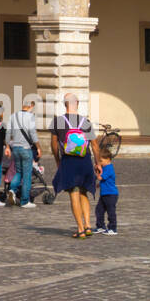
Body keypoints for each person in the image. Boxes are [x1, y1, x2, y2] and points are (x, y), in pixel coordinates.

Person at [51, 94, 99, 239]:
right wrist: (98, 163)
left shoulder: (58, 121)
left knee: (74, 193)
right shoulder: (85, 121)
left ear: (65, 104)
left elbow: (54, 145)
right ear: (77, 103)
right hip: (85, 160)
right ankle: (88, 225)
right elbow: (95, 145)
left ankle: (80, 229)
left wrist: (57, 159)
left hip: (69, 161)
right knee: (84, 192)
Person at [6, 99, 39, 208]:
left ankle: (12, 190)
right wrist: (38, 147)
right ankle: (25, 201)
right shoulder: (30, 117)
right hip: (26, 149)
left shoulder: (13, 116)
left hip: (15, 148)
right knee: (27, 176)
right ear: (31, 106)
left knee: (18, 173)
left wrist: (7, 146)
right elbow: (33, 133)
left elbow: (8, 132)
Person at [95, 151, 119, 235]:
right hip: (104, 194)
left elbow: (101, 177)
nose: (100, 163)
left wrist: (97, 171)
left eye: (101, 161)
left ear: (108, 159)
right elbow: (104, 180)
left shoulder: (109, 168)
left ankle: (113, 228)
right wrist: (99, 185)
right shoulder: (104, 168)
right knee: (99, 210)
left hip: (111, 194)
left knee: (111, 211)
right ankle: (100, 226)